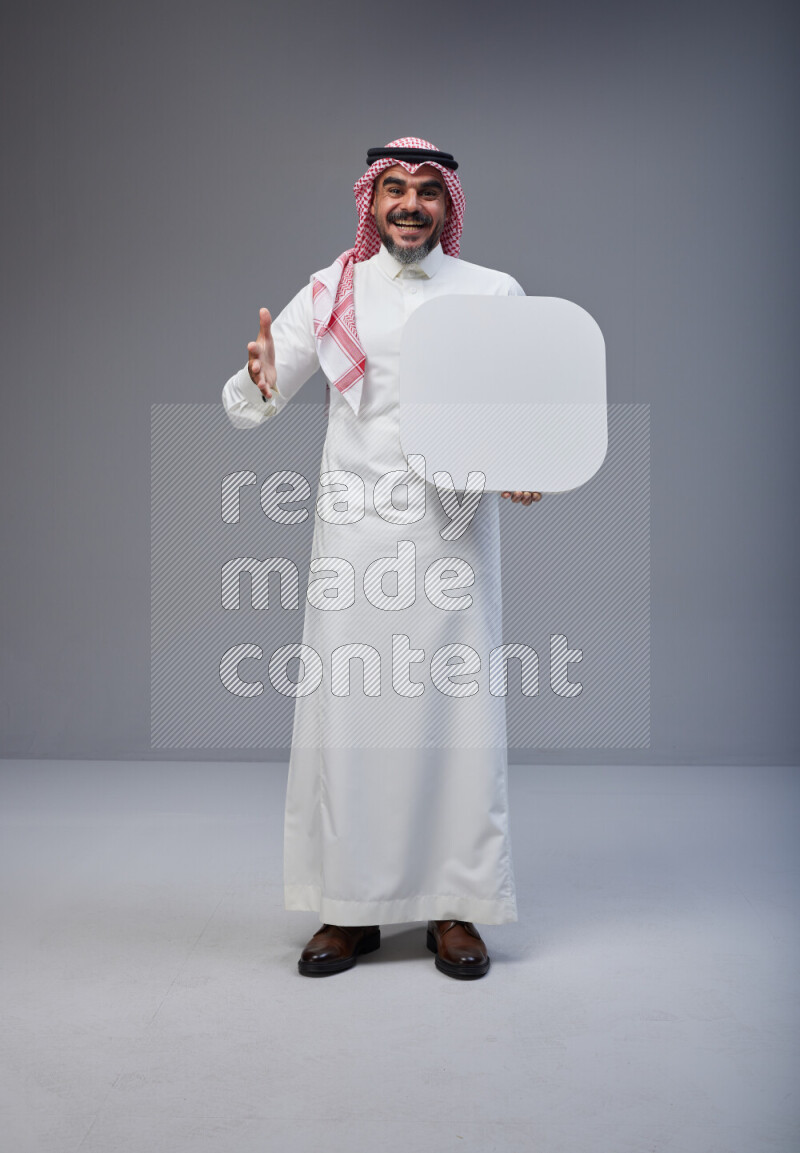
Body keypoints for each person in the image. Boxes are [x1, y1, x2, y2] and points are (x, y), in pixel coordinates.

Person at [222, 137, 540, 980]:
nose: (409, 204)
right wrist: (258, 378)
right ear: (371, 201)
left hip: (452, 535)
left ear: (448, 205)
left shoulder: (493, 292)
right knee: (352, 716)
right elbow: (257, 397)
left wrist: (525, 463)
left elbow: (522, 410)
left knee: (455, 717)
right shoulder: (334, 289)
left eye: (427, 191)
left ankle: (455, 906)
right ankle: (350, 908)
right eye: (394, 188)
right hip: (356, 532)